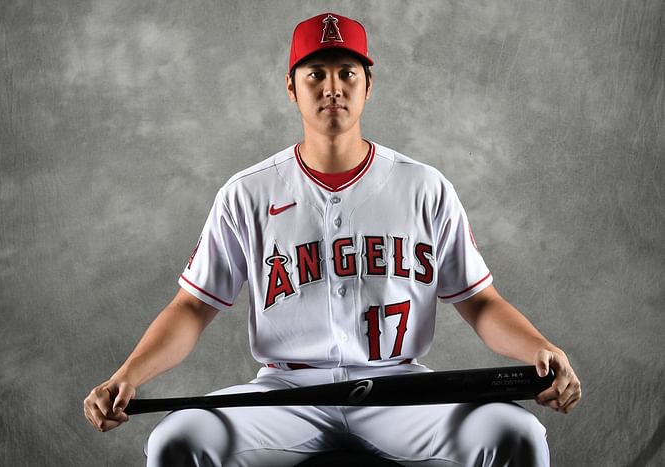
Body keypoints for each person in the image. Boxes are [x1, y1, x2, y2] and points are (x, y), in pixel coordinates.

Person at [84, 12, 581, 467]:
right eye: (315, 73)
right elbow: (191, 307)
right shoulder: (248, 193)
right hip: (285, 393)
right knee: (177, 441)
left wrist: (539, 347)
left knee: (518, 435)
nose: (332, 87)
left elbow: (481, 303)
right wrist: (129, 374)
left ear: (368, 84)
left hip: (402, 390)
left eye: (347, 72)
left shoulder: (424, 187)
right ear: (291, 87)